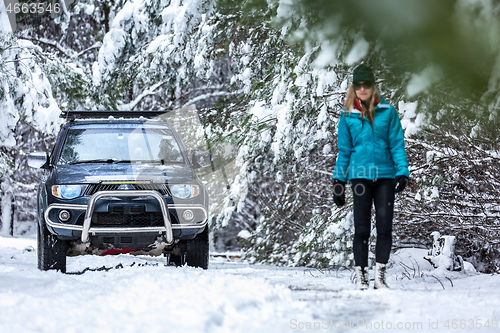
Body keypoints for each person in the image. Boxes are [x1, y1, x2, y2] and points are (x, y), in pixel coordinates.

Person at [332, 64, 409, 290]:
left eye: (366, 85)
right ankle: (362, 277)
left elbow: (397, 144)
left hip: (385, 176)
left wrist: (402, 172)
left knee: (385, 227)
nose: (363, 89)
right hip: (360, 179)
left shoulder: (388, 112)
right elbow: (344, 151)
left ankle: (380, 277)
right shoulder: (347, 116)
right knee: (362, 229)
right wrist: (338, 181)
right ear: (354, 88)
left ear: (373, 86)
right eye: (358, 85)